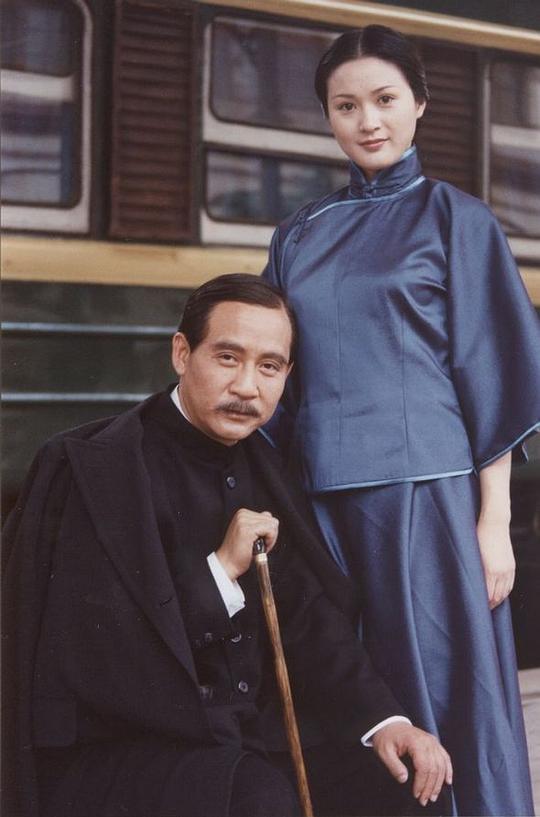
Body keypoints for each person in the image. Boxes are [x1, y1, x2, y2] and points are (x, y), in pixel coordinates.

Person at [2, 274, 453, 817]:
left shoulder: (265, 464)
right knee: (259, 799)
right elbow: (92, 653)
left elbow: (306, 618)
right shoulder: (95, 468)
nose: (247, 387)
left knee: (406, 781)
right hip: (129, 748)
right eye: (228, 358)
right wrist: (220, 570)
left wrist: (386, 722)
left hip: (242, 740)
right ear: (181, 353)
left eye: (269, 367)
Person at [263, 25, 540, 817]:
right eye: (346, 105)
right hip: (323, 504)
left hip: (428, 502)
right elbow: (278, 371)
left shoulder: (459, 220)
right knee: (358, 702)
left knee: (447, 694)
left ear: (419, 102)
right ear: (328, 116)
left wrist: (494, 522)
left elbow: (493, 373)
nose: (368, 120)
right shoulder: (298, 233)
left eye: (384, 99)